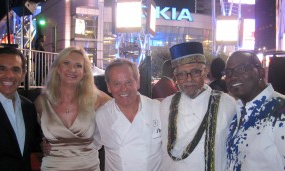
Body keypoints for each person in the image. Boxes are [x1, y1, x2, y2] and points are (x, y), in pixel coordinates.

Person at [160, 42, 236, 171]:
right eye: (182, 74)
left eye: (195, 72)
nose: (188, 79)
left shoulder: (227, 104)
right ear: (175, 77)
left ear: (205, 71)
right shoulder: (166, 105)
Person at [34, 46, 111, 170]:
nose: (72, 69)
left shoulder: (97, 98)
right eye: (66, 63)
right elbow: (32, 135)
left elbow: (123, 107)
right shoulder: (42, 102)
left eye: (78, 66)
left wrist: (152, 104)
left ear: (84, 72)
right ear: (58, 68)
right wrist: (40, 143)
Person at [94, 59, 162, 171]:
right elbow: (90, 148)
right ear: (108, 87)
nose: (123, 88)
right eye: (116, 83)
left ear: (138, 82)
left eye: (128, 82)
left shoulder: (157, 109)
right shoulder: (101, 115)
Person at [224, 51, 285, 171]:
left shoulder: (280, 111)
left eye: (241, 69)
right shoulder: (238, 111)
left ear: (260, 72)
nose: (232, 77)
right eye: (228, 73)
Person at [0, 46, 41, 171]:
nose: (9, 75)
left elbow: (34, 142)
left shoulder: (28, 107)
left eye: (15, 70)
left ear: (23, 75)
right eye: (2, 69)